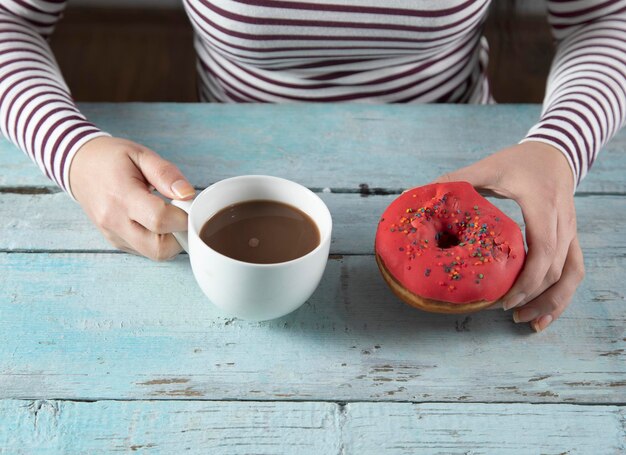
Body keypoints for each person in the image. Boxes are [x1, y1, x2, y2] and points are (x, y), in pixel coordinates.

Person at [1, 1, 624, 332]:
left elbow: (605, 14)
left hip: (475, 169)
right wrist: (74, 151)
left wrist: (558, 148)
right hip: (210, 177)